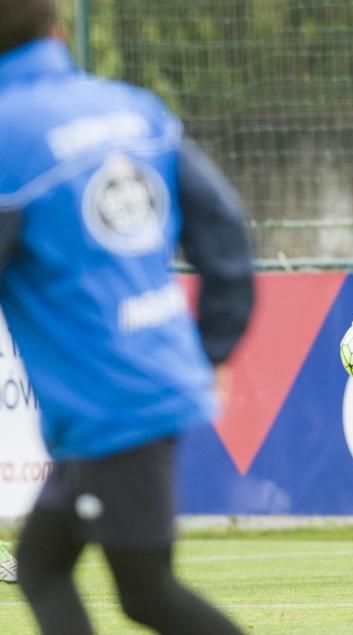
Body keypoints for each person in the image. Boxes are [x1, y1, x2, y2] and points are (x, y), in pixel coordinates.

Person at [1, 1, 255, 632]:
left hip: (109, 407)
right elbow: (225, 240)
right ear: (58, 31)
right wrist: (215, 347)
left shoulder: (7, 133)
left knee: (146, 591)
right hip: (143, 383)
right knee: (39, 564)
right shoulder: (135, 109)